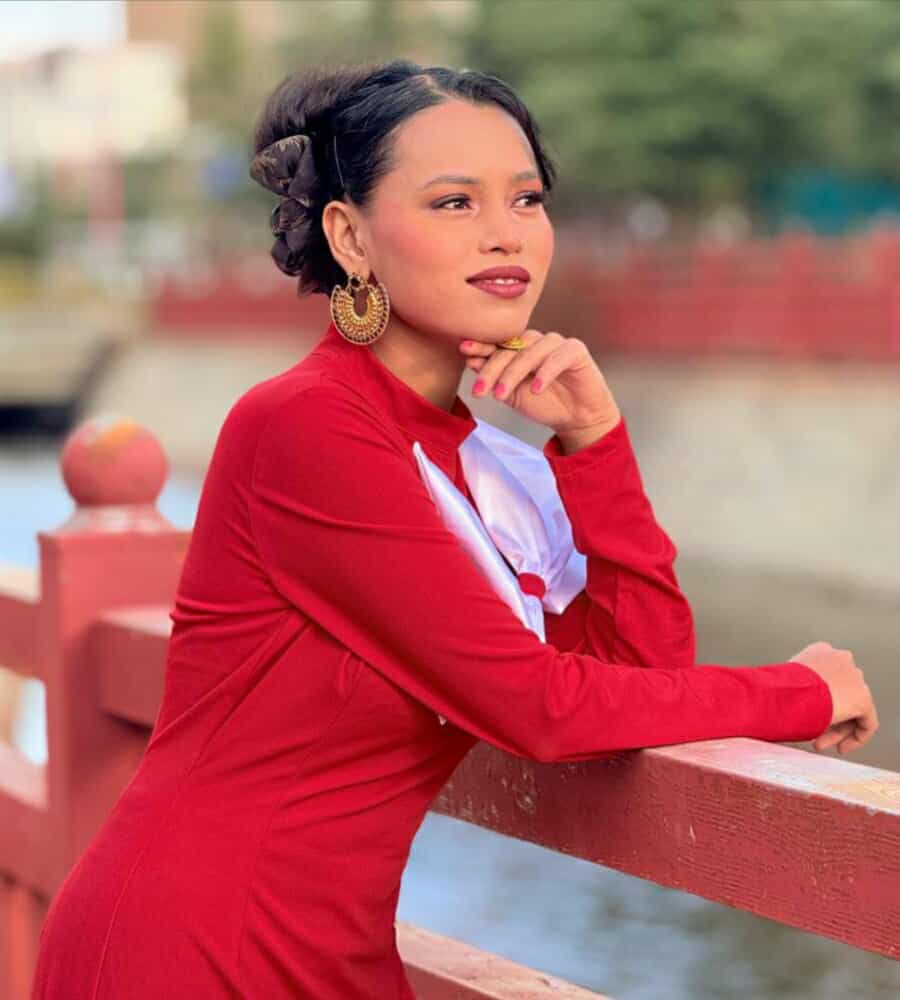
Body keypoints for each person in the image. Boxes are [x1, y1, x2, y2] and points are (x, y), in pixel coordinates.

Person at [30, 58, 878, 1000]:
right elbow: (540, 708)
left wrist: (595, 440)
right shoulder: (307, 427)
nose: (504, 233)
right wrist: (801, 691)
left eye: (526, 198)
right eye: (453, 202)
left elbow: (640, 671)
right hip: (189, 948)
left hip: (331, 950)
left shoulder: (472, 460)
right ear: (350, 235)